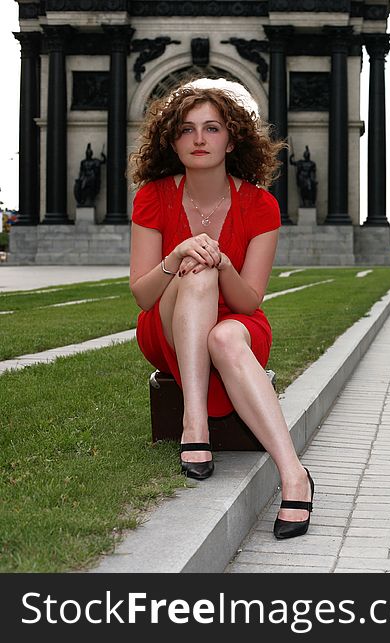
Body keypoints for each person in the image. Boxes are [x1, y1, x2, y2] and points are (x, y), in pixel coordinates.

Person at [128, 78, 314, 540]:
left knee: (225, 333)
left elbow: (250, 300)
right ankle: (195, 418)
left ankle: (294, 475)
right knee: (196, 267)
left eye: (212, 128)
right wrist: (176, 258)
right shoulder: (153, 196)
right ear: (172, 140)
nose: (199, 139)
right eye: (187, 129)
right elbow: (143, 295)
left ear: (232, 139)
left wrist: (224, 263)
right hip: (167, 325)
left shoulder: (261, 204)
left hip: (239, 322)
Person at [74, 143, 107, 207]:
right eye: (87, 153)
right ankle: (83, 199)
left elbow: (103, 161)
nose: (88, 154)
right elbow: (81, 171)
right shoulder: (83, 162)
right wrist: (80, 178)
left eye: (89, 153)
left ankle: (90, 199)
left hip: (92, 177)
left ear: (91, 154)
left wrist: (103, 156)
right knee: (82, 186)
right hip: (85, 177)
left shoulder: (95, 161)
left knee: (88, 185)